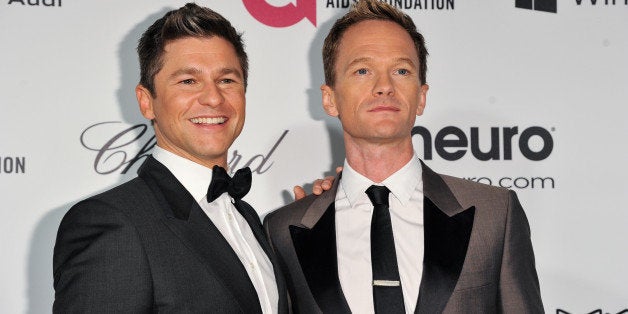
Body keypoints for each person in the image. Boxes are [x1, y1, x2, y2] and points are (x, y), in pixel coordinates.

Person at [263, 0, 544, 313]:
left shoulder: (494, 215)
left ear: (421, 97)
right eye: (362, 70)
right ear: (330, 99)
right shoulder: (284, 230)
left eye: (401, 70)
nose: (384, 86)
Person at [53, 3, 318, 313]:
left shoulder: (249, 219)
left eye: (227, 80)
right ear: (146, 101)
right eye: (188, 81)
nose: (213, 97)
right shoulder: (114, 222)